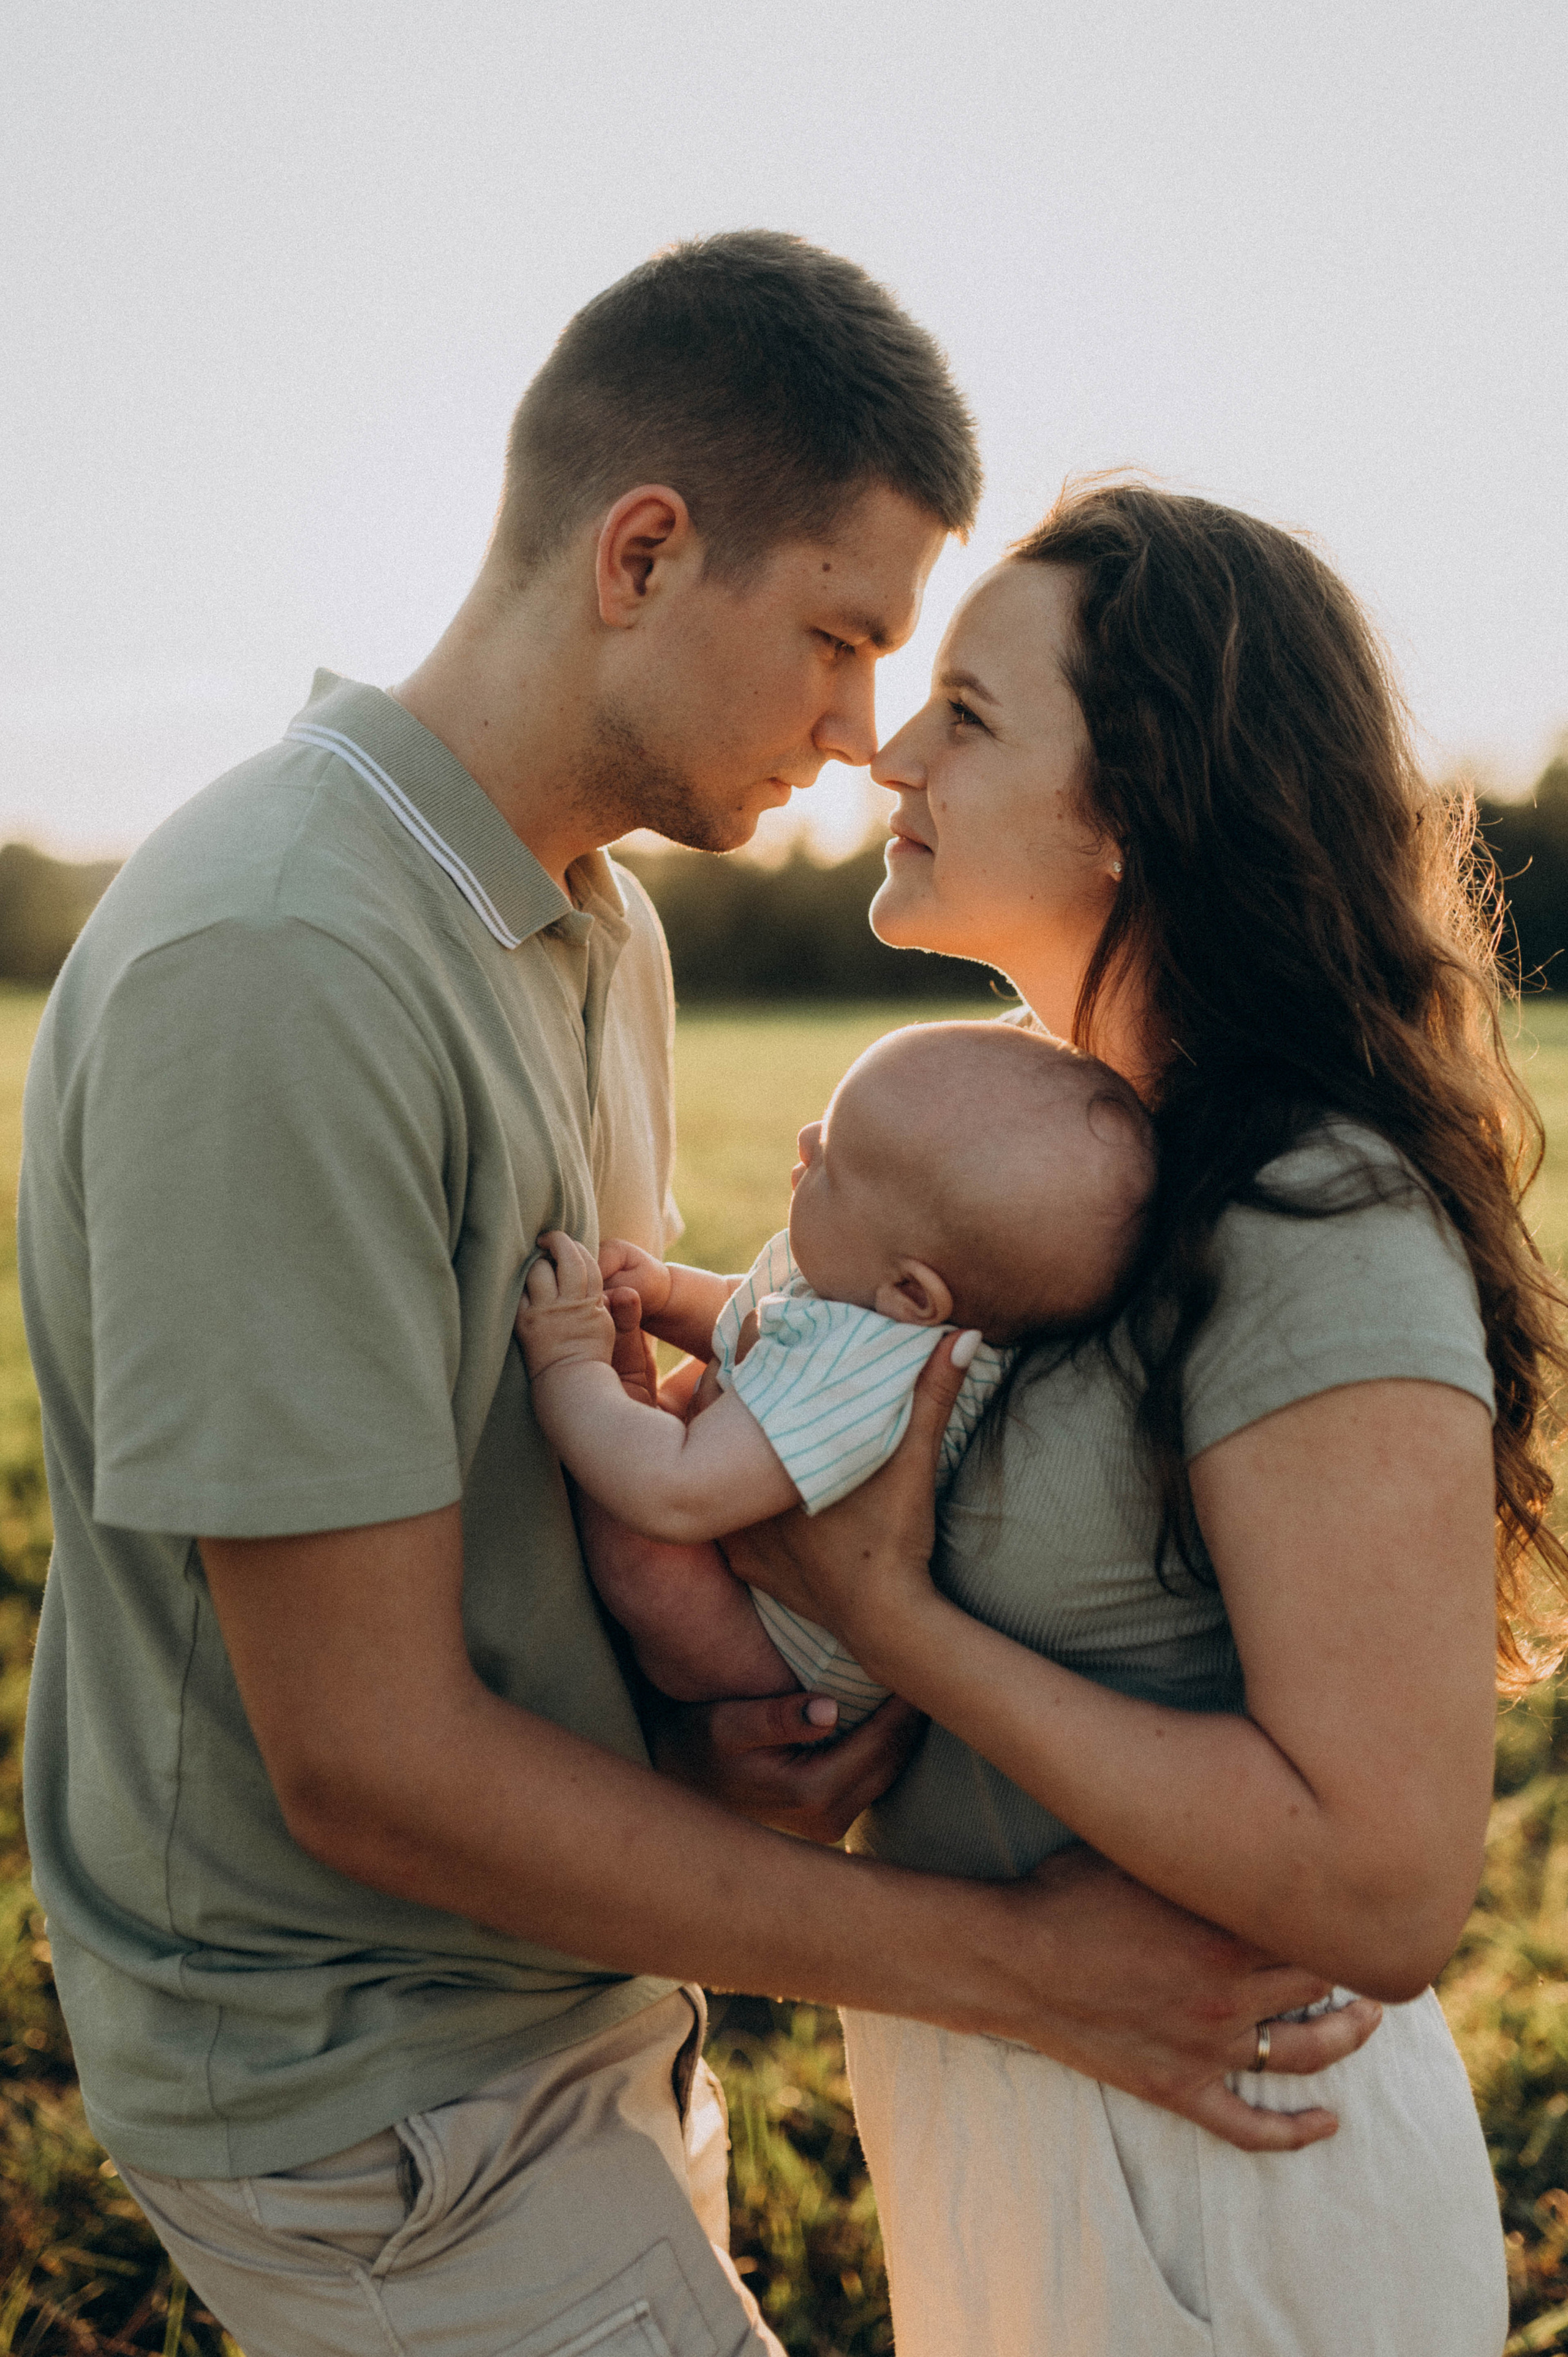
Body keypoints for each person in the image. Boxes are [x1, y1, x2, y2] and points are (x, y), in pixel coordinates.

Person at [20, 240, 1376, 2357]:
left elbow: (563, 1511)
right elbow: (365, 1760)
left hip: (569, 1996)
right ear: (644, 551)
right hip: (383, 2104)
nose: (862, 737)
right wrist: (1021, 1959)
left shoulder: (599, 931)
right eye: (840, 639)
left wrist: (743, 1728)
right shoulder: (279, 962)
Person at [720, 480, 1566, 2353]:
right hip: (1016, 2111)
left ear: (1131, 807)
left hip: (1230, 2185)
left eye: (970, 713)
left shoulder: (1300, 1209)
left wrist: (893, 1626)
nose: (885, 752)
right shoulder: (1021, 1155)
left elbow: (1384, 1878)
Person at [516, 1023, 1153, 1723]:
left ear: (913, 1295)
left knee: (647, 1559)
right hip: (773, 1566)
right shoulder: (872, 1292)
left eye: (838, 1160)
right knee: (646, 1455)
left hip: (778, 1652)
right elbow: (767, 1314)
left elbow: (676, 1494)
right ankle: (626, 1415)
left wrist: (570, 1359)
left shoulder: (869, 1365)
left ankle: (619, 1408)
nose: (811, 1137)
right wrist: (668, 1293)